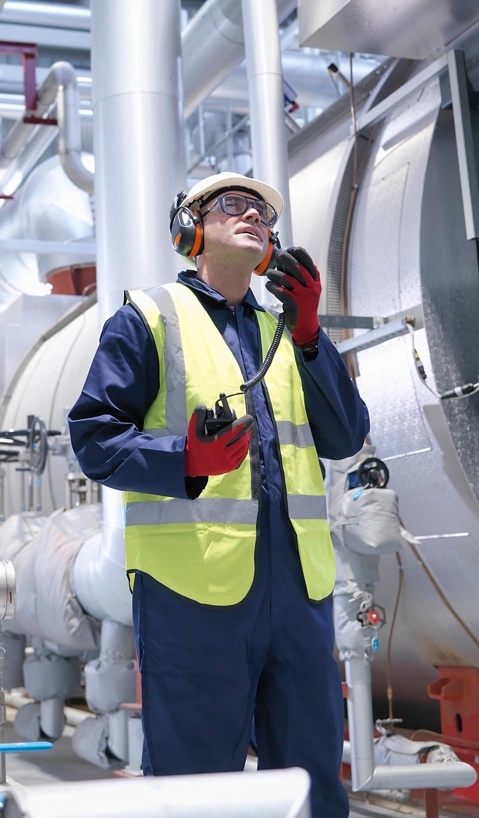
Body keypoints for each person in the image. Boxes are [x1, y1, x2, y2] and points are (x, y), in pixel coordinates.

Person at [68, 172, 369, 818]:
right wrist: (184, 460)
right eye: (233, 205)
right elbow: (92, 437)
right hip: (193, 599)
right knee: (196, 792)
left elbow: (345, 436)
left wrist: (314, 336)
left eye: (262, 211)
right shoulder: (146, 319)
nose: (254, 215)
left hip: (299, 598)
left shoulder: (290, 334)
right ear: (190, 229)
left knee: (313, 788)